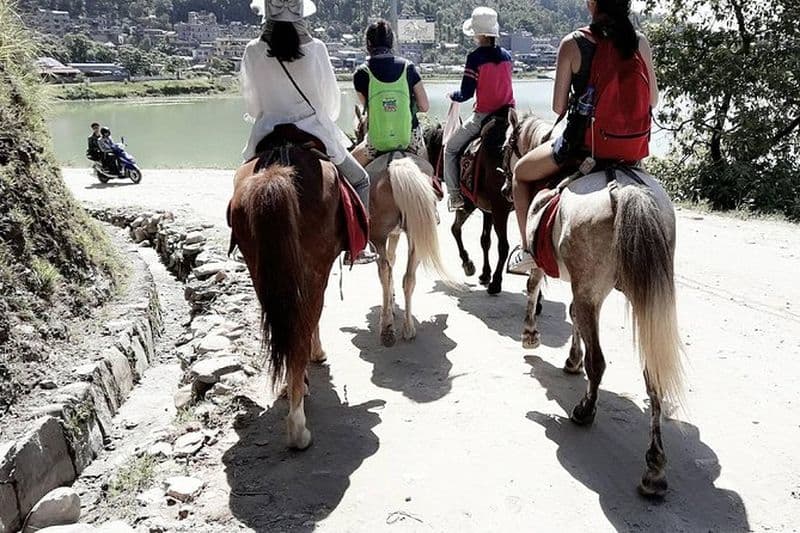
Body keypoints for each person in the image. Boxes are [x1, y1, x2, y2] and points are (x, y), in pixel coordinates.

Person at [506, 0, 660, 274]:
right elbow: (653, 100)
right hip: (631, 151)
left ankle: (527, 251)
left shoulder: (574, 42)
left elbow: (558, 108)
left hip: (584, 147)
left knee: (520, 172)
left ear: (592, 3)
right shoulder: (640, 42)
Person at [242, 0, 376, 264]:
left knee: (242, 185)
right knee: (360, 181)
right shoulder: (317, 49)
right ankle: (359, 246)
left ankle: (239, 241)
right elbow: (330, 104)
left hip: (267, 132)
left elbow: (252, 104)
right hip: (316, 132)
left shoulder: (252, 50)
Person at [442, 7, 515, 211]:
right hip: (510, 116)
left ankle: (455, 195)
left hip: (484, 117)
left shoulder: (475, 58)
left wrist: (452, 95)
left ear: (480, 34)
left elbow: (466, 93)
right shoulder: (507, 56)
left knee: (451, 149)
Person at [351, 19, 430, 166]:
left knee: (349, 175)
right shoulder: (408, 67)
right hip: (410, 138)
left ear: (368, 43)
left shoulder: (361, 73)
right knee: (429, 175)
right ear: (391, 42)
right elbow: (424, 106)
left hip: (376, 140)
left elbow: (367, 109)